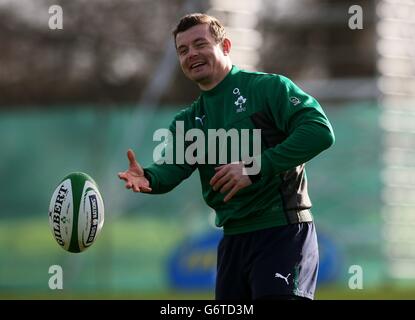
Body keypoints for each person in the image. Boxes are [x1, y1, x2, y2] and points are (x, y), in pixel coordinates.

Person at [118, 13, 335, 300]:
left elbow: (319, 132)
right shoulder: (189, 120)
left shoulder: (268, 89)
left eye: (200, 44)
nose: (191, 54)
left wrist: (254, 167)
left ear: (226, 46)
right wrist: (147, 176)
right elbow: (171, 169)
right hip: (233, 241)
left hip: (282, 232)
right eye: (183, 50)